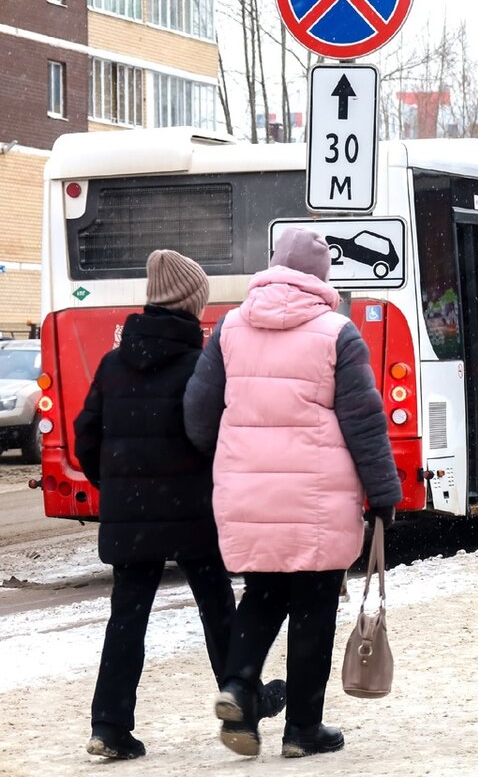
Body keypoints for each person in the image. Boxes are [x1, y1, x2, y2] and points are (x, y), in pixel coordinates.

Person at [184, 228, 402, 759]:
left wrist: (236, 453)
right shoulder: (338, 333)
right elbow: (364, 423)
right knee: (314, 604)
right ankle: (302, 728)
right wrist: (383, 493)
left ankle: (238, 686)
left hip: (248, 490)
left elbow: (197, 414)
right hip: (318, 497)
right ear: (322, 276)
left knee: (262, 594)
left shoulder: (230, 327)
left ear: (273, 266)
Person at [75, 250, 285, 760]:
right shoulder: (199, 365)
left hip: (131, 516)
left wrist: (118, 489)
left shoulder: (112, 364)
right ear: (192, 304)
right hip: (195, 510)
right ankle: (242, 702)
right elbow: (219, 437)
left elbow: (85, 436)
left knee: (127, 619)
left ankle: (109, 726)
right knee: (218, 607)